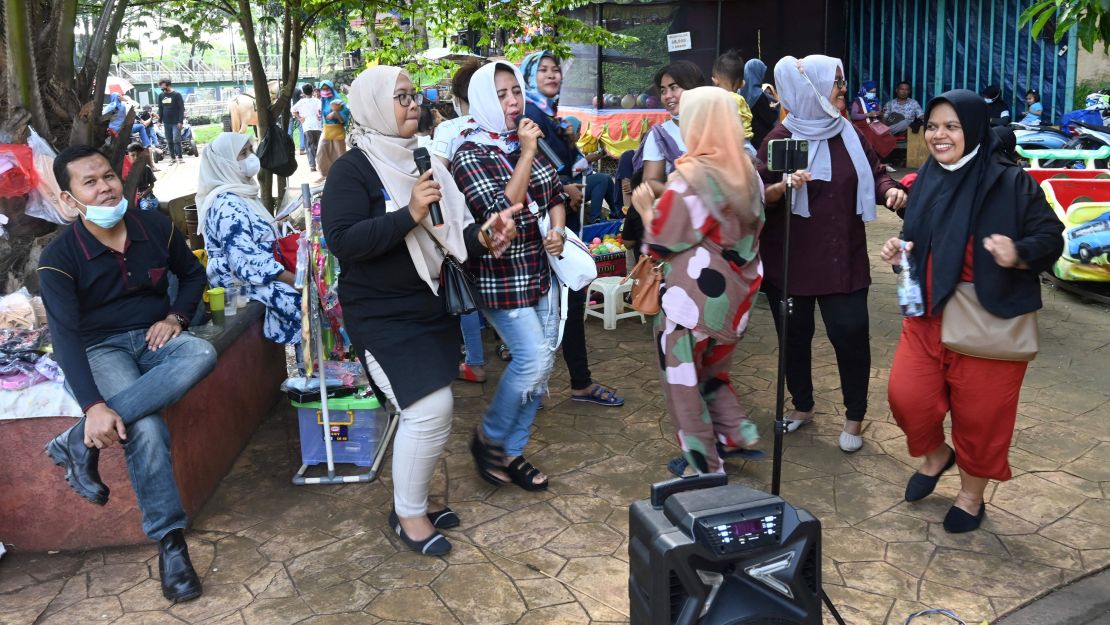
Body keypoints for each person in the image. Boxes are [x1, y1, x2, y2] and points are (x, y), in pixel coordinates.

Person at [321, 66, 517, 555]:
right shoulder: (354, 169)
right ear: (372, 106)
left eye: (415, 96)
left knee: (430, 412)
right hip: (383, 317)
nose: (413, 105)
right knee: (429, 411)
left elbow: (453, 233)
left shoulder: (424, 158)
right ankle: (408, 514)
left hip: (431, 308)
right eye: (401, 97)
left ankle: (418, 499)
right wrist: (406, 213)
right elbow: (343, 241)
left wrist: (487, 235)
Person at [38, 145, 216, 601]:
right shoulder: (58, 258)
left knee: (199, 355)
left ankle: (76, 440)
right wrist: (94, 406)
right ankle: (172, 544)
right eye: (89, 183)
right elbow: (66, 338)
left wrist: (176, 316)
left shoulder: (154, 227)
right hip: (101, 349)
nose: (103, 188)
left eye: (107, 177)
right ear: (67, 199)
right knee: (146, 428)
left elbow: (194, 276)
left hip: (158, 339)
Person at [881, 89, 1063, 532]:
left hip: (987, 322)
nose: (940, 136)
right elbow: (916, 236)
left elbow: (1051, 239)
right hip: (925, 313)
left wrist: (1016, 252)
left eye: (952, 126)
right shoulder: (928, 175)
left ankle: (970, 495)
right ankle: (937, 455)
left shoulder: (1010, 181)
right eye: (935, 126)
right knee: (908, 401)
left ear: (975, 129)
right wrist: (899, 251)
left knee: (981, 419)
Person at [757, 55, 907, 453]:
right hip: (791, 260)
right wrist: (781, 186)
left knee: (851, 334)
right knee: (794, 337)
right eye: (836, 82)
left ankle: (854, 416)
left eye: (841, 81)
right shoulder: (780, 140)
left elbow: (874, 172)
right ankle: (802, 406)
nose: (843, 89)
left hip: (843, 257)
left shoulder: (851, 134)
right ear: (810, 90)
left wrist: (888, 188)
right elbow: (758, 195)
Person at [630, 87, 765, 473]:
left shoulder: (691, 176)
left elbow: (661, 241)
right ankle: (734, 433)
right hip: (736, 298)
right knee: (712, 371)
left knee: (683, 382)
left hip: (690, 303)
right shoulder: (747, 171)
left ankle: (703, 463)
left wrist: (644, 209)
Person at [452, 60, 568, 490]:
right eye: (501, 95)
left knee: (541, 366)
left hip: (539, 273)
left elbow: (555, 193)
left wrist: (556, 228)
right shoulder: (469, 153)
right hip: (499, 279)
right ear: (483, 99)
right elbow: (500, 212)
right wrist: (527, 153)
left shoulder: (520, 140)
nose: (513, 101)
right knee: (532, 359)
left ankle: (513, 451)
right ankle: (490, 437)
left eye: (515, 92)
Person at [520, 50, 624, 407]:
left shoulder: (549, 116)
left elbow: (564, 164)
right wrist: (563, 188)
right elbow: (528, 172)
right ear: (529, 76)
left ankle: (569, 382)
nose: (552, 75)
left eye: (555, 70)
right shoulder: (531, 116)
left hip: (561, 221)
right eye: (543, 70)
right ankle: (554, 384)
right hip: (545, 225)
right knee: (559, 301)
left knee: (566, 301)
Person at [197, 133, 302, 345]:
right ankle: (311, 370)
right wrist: (293, 280)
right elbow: (243, 258)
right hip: (235, 288)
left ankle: (315, 367)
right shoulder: (226, 203)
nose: (251, 158)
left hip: (252, 279)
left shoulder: (242, 194)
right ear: (224, 164)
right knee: (299, 301)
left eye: (250, 151)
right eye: (242, 154)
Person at [642, 60, 707, 191]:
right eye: (663, 91)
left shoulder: (716, 127)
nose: (667, 96)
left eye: (674, 88)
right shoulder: (659, 136)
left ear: (693, 88)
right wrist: (685, 195)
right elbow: (650, 183)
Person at [564, 116, 619, 223]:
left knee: (607, 179)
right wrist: (586, 160)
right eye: (578, 131)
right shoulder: (562, 149)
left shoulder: (573, 148)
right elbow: (568, 173)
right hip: (570, 189)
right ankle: (595, 218)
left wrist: (600, 154)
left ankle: (616, 213)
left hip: (581, 183)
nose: (580, 134)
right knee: (601, 178)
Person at [710, 49, 756, 153]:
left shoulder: (723, 99)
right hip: (747, 145)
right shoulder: (740, 99)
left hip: (734, 147)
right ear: (742, 84)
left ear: (715, 80)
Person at [316, 81, 349, 181]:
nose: (325, 91)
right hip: (326, 129)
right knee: (321, 152)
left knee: (340, 153)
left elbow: (344, 119)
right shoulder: (322, 101)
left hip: (337, 130)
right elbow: (322, 115)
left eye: (327, 89)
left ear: (331, 89)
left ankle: (343, 174)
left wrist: (336, 114)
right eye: (323, 89)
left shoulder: (338, 101)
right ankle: (324, 174)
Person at [742, 58, 778, 150]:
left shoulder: (739, 91)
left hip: (744, 139)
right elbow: (769, 118)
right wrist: (775, 108)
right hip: (760, 142)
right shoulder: (759, 95)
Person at [292, 83, 323, 172]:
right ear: (312, 91)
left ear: (303, 93)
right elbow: (322, 110)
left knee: (310, 145)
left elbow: (293, 110)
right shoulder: (317, 101)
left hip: (307, 125)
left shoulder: (301, 102)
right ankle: (320, 163)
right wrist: (319, 116)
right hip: (317, 125)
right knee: (318, 145)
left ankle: (312, 165)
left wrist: (300, 118)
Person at [158, 78, 185, 164]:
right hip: (166, 122)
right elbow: (161, 109)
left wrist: (180, 121)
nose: (161, 87)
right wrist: (159, 120)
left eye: (162, 85)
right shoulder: (161, 96)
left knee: (176, 139)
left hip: (176, 122)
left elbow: (181, 109)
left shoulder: (177, 95)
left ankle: (180, 157)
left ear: (168, 85)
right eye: (160, 85)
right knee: (169, 140)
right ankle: (172, 158)